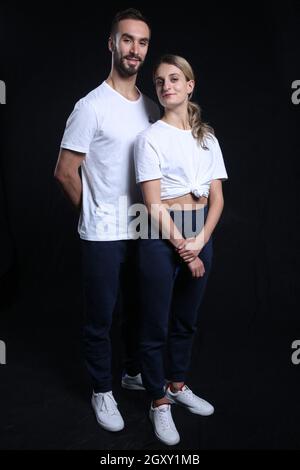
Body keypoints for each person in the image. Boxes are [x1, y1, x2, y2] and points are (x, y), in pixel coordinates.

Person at [54, 8, 160, 433]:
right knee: (101, 315)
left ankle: (133, 371)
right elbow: (65, 171)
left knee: (138, 309)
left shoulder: (152, 108)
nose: (135, 49)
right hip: (102, 233)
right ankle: (102, 388)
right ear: (112, 44)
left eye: (142, 42)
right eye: (127, 39)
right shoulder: (91, 106)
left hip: (144, 228)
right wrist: (94, 211)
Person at [134, 54, 228, 445]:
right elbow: (152, 204)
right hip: (159, 230)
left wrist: (201, 241)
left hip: (199, 231)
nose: (166, 86)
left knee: (186, 319)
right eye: (159, 82)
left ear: (190, 85)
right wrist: (185, 249)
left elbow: (218, 199)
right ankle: (158, 401)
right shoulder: (149, 137)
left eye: (174, 79)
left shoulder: (207, 138)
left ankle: (176, 384)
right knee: (155, 321)